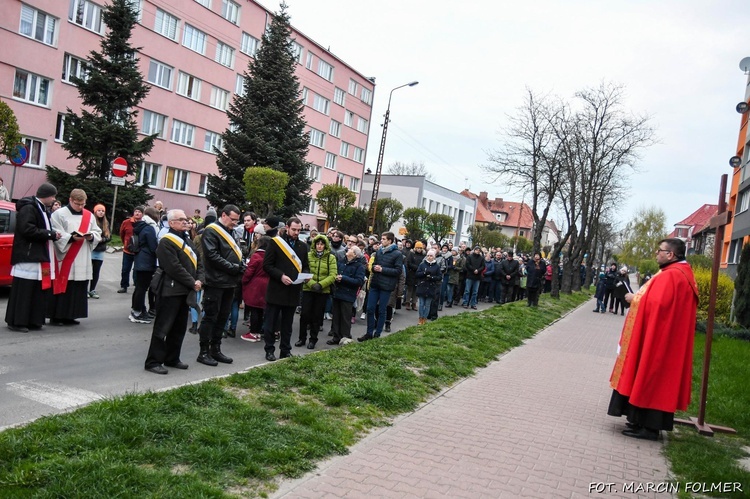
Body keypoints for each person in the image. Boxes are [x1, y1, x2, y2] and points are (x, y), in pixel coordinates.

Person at [608, 238, 699, 441]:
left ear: (671, 255)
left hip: (660, 339)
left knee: (653, 375)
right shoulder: (675, 273)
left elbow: (658, 304)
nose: (656, 254)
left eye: (660, 250)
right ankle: (639, 420)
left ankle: (649, 427)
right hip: (664, 336)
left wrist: (635, 299)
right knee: (647, 373)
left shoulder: (674, 275)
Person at [144, 210, 204, 375]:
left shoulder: (188, 240)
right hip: (170, 290)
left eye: (186, 220)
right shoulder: (166, 242)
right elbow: (173, 267)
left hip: (185, 290)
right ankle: (153, 361)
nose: (186, 222)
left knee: (178, 328)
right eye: (182, 220)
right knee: (163, 327)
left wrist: (200, 279)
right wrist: (193, 282)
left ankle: (172, 358)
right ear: (171, 223)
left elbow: (199, 262)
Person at [5, 183, 61, 332]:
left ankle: (33, 320)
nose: (54, 199)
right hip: (28, 256)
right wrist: (50, 234)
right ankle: (17, 321)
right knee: (24, 291)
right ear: (47, 195)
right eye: (53, 196)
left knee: (36, 290)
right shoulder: (29, 208)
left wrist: (52, 233)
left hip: (38, 255)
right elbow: (27, 229)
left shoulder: (41, 208)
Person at [197, 205, 245, 366]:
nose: (235, 223)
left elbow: (236, 252)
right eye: (233, 219)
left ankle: (215, 349)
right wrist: (233, 268)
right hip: (215, 281)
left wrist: (241, 264)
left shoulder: (231, 232)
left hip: (229, 282)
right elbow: (212, 255)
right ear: (223, 215)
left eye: (237, 220)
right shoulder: (211, 231)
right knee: (210, 316)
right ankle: (203, 351)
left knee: (223, 316)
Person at [48, 189, 102, 326]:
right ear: (70, 200)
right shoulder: (59, 214)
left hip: (82, 255)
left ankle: (72, 315)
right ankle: (57, 316)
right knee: (64, 286)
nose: (80, 207)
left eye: (83, 204)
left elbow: (97, 232)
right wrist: (71, 238)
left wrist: (91, 236)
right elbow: (56, 232)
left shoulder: (89, 215)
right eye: (78, 204)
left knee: (78, 287)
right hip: (66, 255)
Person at [262, 217, 310, 361]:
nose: (296, 232)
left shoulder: (302, 246)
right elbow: (267, 265)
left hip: (293, 291)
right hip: (277, 289)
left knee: (287, 325)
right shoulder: (275, 243)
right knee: (271, 323)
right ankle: (269, 350)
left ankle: (285, 350)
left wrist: (306, 275)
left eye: (299, 230)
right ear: (287, 228)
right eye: (294, 229)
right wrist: (281, 276)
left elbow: (305, 265)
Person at [359, 232, 404, 342]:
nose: (381, 241)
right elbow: (373, 266)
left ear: (390, 241)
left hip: (386, 286)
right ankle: (369, 333)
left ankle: (377, 334)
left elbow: (398, 271)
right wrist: (375, 268)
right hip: (375, 283)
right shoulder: (378, 252)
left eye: (384, 239)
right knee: (370, 309)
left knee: (381, 310)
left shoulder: (397, 254)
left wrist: (383, 270)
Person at [295, 234, 336, 349]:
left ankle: (313, 339)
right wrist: (312, 284)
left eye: (322, 244)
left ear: (325, 246)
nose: (319, 246)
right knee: (304, 315)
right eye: (317, 244)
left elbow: (333, 275)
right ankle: (301, 338)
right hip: (308, 289)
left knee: (317, 316)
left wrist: (321, 284)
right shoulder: (308, 256)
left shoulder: (331, 258)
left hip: (322, 291)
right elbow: (304, 271)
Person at [328, 245, 366, 345]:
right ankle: (336, 337)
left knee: (345, 317)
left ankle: (345, 338)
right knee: (336, 316)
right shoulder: (341, 261)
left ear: (355, 254)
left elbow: (359, 281)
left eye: (350, 249)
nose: (347, 250)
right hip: (338, 292)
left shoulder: (359, 266)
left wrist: (344, 278)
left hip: (348, 294)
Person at [129, 207, 159, 324]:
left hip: (140, 259)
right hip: (147, 262)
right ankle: (138, 312)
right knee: (142, 288)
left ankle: (135, 310)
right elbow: (153, 247)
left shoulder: (140, 226)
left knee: (139, 287)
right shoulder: (150, 228)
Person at [241, 236, 271, 343]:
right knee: (261, 310)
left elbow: (249, 272)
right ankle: (258, 332)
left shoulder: (257, 256)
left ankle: (253, 333)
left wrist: (244, 281)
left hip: (255, 285)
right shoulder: (270, 256)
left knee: (254, 309)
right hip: (267, 285)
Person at [118, 206, 143, 293]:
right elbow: (122, 234)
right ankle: (124, 286)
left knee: (137, 270)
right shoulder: (126, 222)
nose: (137, 213)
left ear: (142, 214)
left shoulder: (143, 224)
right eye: (136, 211)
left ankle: (137, 285)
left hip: (138, 251)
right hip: (127, 250)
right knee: (125, 269)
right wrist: (125, 243)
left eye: (139, 212)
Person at [88, 203, 110, 299]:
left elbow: (109, 236)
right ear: (95, 211)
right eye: (99, 210)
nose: (101, 212)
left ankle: (92, 289)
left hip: (100, 250)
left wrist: (103, 240)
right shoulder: (91, 221)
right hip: (91, 249)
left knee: (96, 271)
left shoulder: (106, 223)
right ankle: (85, 290)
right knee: (88, 271)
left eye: (103, 211)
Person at [415, 249, 441, 325]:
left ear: (434, 257)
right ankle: (420, 318)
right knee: (421, 304)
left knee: (427, 304)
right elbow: (417, 274)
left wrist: (432, 277)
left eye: (431, 256)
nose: (429, 257)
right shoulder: (422, 265)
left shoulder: (436, 266)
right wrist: (424, 273)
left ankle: (425, 318)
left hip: (431, 287)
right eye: (428, 255)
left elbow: (439, 277)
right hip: (422, 286)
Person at [404, 241, 425, 311]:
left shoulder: (423, 255)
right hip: (411, 273)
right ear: (415, 248)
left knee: (416, 290)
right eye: (418, 248)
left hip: (419, 274)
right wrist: (416, 267)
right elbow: (409, 263)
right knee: (410, 289)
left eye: (420, 248)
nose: (419, 249)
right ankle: (407, 302)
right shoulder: (411, 254)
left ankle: (414, 303)